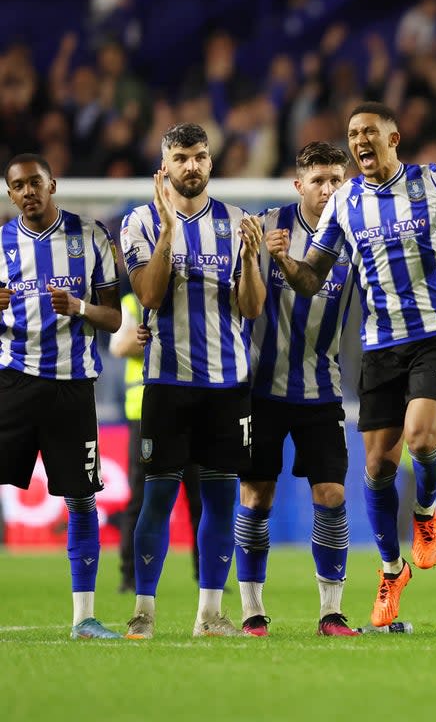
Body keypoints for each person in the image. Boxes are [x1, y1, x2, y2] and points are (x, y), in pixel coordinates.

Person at [270, 101, 436, 629]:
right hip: (379, 346)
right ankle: (392, 569)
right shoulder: (344, 202)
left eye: (369, 132)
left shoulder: (431, 183)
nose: (359, 141)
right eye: (352, 134)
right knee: (377, 467)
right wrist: (283, 260)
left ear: (393, 138)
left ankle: (426, 510)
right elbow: (313, 277)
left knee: (421, 441)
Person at [120, 122, 266, 638]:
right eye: (181, 158)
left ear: (210, 161)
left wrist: (250, 260)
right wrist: (166, 231)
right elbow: (151, 296)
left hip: (228, 385)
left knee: (220, 500)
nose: (192, 167)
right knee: (158, 498)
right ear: (165, 166)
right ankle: (143, 611)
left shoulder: (236, 222)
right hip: (166, 382)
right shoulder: (138, 222)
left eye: (200, 157)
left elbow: (250, 308)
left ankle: (210, 614)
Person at [233, 142, 359, 637]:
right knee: (256, 497)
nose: (328, 190)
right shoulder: (265, 227)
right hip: (260, 390)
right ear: (298, 184)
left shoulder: (355, 232)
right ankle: (251, 612)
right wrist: (258, 259)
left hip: (322, 389)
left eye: (336, 180)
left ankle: (331, 612)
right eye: (319, 180)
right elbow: (243, 303)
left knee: (330, 495)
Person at [0, 153, 123, 639]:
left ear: (52, 185)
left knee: (81, 499)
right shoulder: (1, 241)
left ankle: (84, 619)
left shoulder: (91, 236)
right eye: (17, 186)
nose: (27, 191)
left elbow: (114, 318)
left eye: (35, 182)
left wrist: (79, 306)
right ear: (10, 194)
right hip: (12, 380)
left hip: (73, 386)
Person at [110, 291, 201, 593]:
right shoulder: (131, 303)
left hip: (191, 407)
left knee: (199, 497)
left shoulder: (188, 296)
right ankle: (129, 574)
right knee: (141, 497)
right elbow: (118, 346)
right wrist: (141, 339)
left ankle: (206, 575)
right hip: (144, 412)